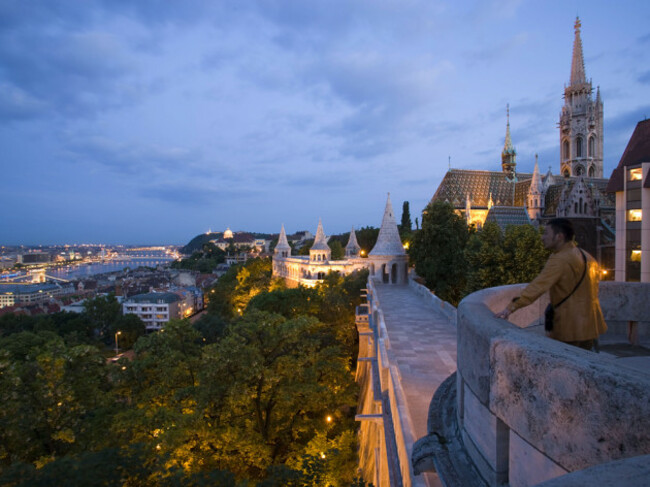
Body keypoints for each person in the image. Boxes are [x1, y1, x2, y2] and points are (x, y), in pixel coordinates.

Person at [495, 218, 606, 350]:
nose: (542, 238)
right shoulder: (587, 256)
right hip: (590, 326)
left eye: (546, 233)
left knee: (565, 366)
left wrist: (511, 307)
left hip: (570, 326)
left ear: (559, 237)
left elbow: (538, 286)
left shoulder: (560, 259)